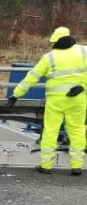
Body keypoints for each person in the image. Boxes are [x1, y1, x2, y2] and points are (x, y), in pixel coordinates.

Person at [7, 26, 87, 175]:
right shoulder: (84, 51)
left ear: (55, 41)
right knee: (77, 131)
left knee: (51, 131)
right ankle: (76, 166)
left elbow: (32, 77)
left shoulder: (49, 57)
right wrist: (83, 87)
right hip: (78, 99)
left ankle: (46, 166)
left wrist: (16, 94)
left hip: (55, 101)